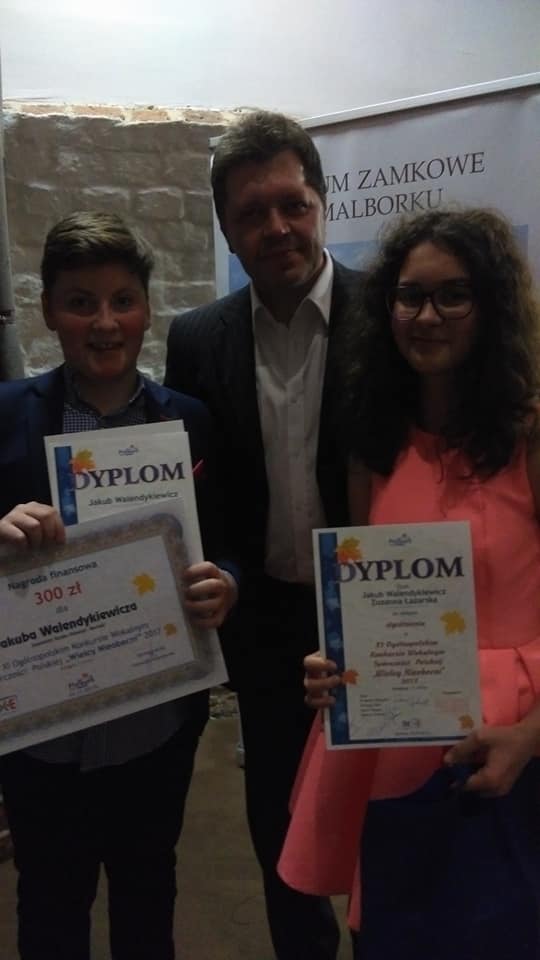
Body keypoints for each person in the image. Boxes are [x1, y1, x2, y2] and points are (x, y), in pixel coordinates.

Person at [278, 207, 540, 959]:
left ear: (491, 307)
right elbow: (366, 605)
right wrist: (334, 663)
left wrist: (530, 737)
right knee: (395, 936)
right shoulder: (375, 445)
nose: (427, 317)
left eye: (453, 296)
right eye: (410, 296)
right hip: (395, 748)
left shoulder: (530, 436)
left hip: (517, 753)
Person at [0, 210, 239, 960]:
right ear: (49, 309)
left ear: (146, 308)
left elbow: (226, 542)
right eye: (81, 302)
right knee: (49, 901)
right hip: (43, 734)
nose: (105, 323)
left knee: (148, 890)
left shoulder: (191, 423)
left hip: (157, 722)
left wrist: (226, 583)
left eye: (123, 301)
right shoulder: (5, 415)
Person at [164, 110, 359, 960]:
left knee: (389, 814)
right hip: (265, 617)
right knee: (279, 823)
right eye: (252, 212)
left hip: (380, 606)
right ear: (225, 226)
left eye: (292, 204)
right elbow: (195, 491)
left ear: (320, 202)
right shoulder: (195, 339)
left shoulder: (389, 313)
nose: (276, 227)